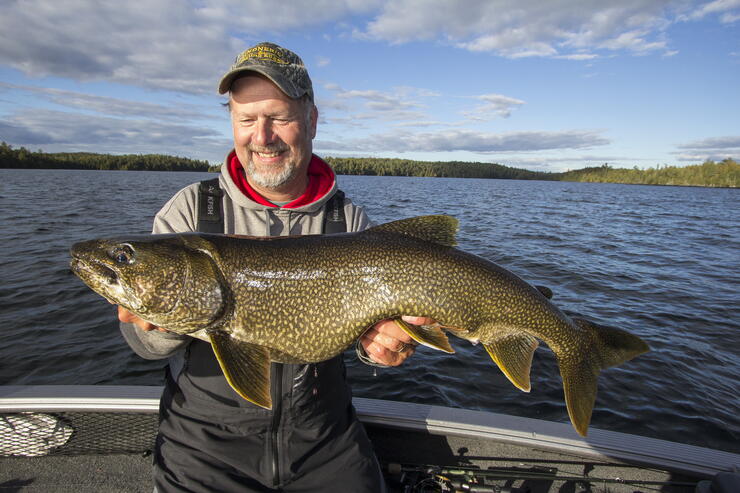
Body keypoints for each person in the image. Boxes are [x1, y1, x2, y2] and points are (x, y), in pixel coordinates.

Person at [117, 42, 431, 492]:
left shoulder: (351, 223)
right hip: (205, 447)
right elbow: (143, 346)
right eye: (246, 119)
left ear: (312, 121)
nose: (261, 137)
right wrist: (159, 323)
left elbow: (372, 337)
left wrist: (383, 347)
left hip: (324, 440)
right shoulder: (189, 211)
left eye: (278, 117)